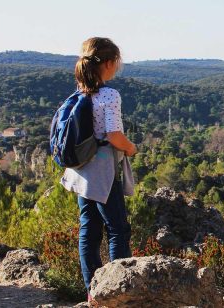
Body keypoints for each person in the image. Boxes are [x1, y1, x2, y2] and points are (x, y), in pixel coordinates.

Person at [59, 37, 137, 302]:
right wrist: (130, 148)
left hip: (81, 169)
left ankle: (93, 292)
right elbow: (114, 135)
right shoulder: (109, 95)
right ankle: (119, 292)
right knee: (117, 228)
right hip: (102, 170)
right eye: (117, 62)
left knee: (89, 228)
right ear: (109, 63)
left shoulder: (79, 94)